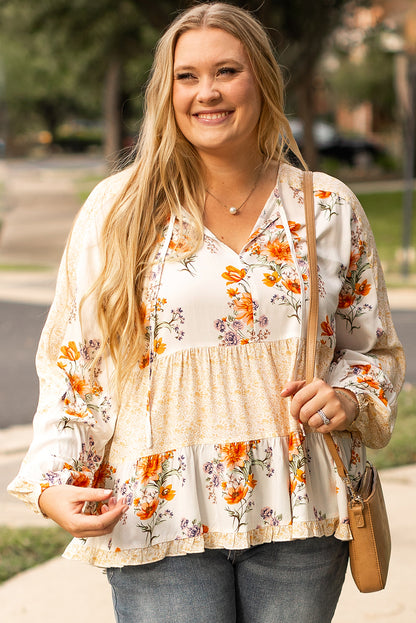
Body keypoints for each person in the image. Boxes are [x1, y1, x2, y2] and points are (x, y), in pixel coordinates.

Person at [8, 3, 404, 622]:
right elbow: (72, 361)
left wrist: (348, 397)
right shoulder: (119, 209)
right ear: (165, 92)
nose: (207, 92)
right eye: (186, 76)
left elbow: (372, 348)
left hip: (299, 507)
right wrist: (56, 480)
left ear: (262, 82)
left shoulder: (327, 206)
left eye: (227, 71)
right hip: (156, 512)